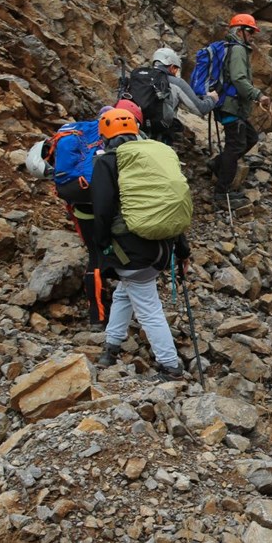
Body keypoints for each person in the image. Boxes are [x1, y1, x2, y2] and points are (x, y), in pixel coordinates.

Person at [92, 108, 190, 379]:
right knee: (126, 291)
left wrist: (101, 245)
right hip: (162, 245)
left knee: (148, 308)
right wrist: (183, 250)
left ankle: (170, 366)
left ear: (104, 135)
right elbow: (169, 204)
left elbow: (101, 209)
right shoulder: (152, 158)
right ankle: (110, 348)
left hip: (131, 248)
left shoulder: (107, 162)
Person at [209, 13, 270, 209]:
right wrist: (258, 95)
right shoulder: (236, 50)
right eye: (250, 31)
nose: (252, 35)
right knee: (234, 147)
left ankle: (217, 164)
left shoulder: (235, 48)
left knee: (250, 138)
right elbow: (238, 78)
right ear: (240, 31)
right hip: (231, 106)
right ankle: (222, 192)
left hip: (233, 107)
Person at [150, 47, 218, 141]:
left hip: (139, 131)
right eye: (176, 68)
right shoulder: (177, 83)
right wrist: (212, 99)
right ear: (172, 67)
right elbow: (200, 109)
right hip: (161, 134)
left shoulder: (140, 78)